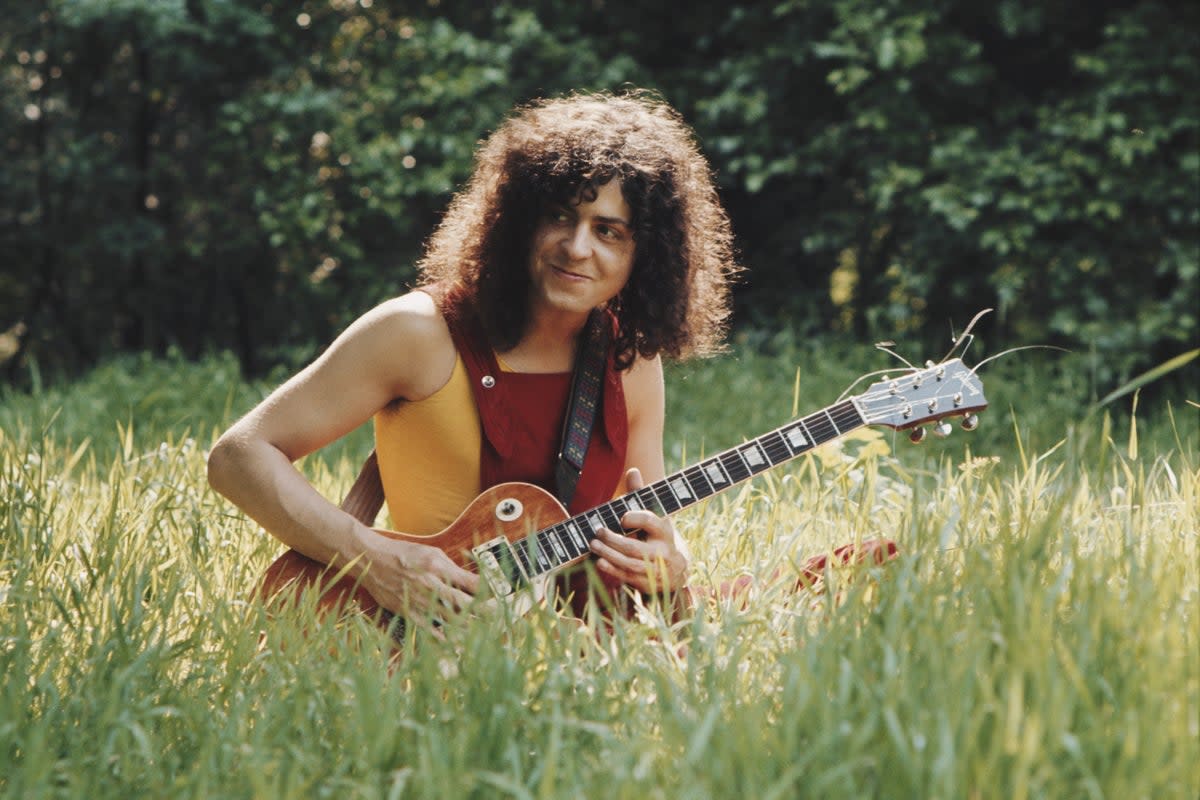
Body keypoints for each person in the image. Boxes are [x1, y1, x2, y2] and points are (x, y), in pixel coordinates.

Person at [206, 91, 740, 629]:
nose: (577, 247)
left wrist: (672, 561)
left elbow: (646, 522)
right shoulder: (417, 331)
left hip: (589, 657)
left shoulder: (631, 356)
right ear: (517, 221)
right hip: (429, 641)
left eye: (608, 231)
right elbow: (239, 456)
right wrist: (374, 560)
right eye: (559, 216)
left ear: (644, 256)